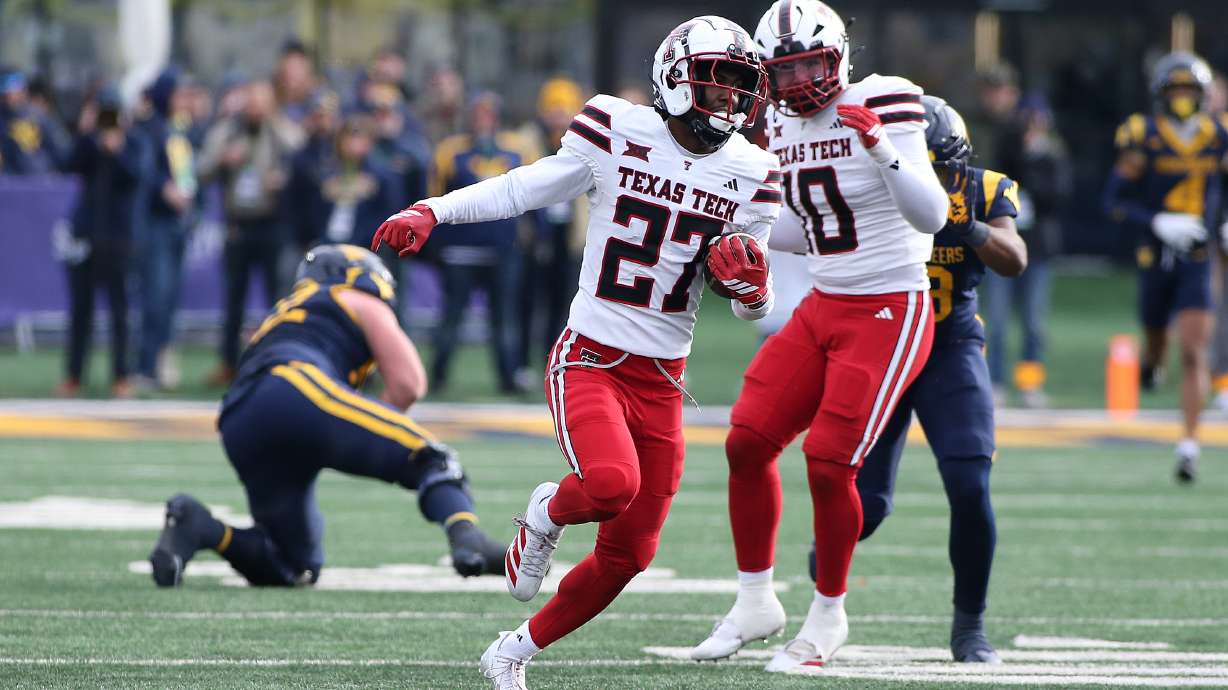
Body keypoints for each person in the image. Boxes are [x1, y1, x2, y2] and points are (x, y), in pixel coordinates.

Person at [371, 16, 781, 688]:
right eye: (718, 84)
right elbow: (522, 188)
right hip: (591, 357)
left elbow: (747, 300)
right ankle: (545, 512)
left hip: (663, 380)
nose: (731, 102)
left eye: (741, 87)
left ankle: (511, 651)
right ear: (677, 80)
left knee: (631, 555)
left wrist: (756, 291)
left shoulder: (751, 171)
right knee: (612, 483)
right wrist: (434, 211)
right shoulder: (617, 130)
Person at [690, 0, 949, 671]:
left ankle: (829, 616)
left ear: (838, 55)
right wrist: (732, 234)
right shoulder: (775, 120)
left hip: (890, 303)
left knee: (831, 459)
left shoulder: (886, 101)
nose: (799, 78)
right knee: (747, 440)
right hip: (827, 301)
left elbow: (933, 215)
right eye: (784, 67)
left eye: (809, 61)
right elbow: (813, 228)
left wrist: (882, 148)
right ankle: (755, 600)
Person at [803, 96, 1027, 663]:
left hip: (949, 347)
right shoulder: (865, 183)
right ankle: (822, 587)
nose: (933, 180)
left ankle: (970, 627)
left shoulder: (983, 187)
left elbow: (1015, 258)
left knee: (971, 486)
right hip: (881, 344)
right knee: (866, 506)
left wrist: (969, 226)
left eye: (941, 168)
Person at [148, 244, 506, 588]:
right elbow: (408, 384)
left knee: (293, 564)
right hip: (293, 387)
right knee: (433, 459)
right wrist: (361, 438)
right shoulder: (355, 297)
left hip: (238, 416)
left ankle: (201, 527)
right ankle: (468, 536)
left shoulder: (285, 310)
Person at [1103, 51, 1228, 484]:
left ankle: (1189, 446)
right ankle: (1152, 362)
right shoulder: (1142, 134)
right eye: (1175, 90)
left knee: (1194, 349)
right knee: (1156, 340)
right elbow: (1113, 201)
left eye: (1190, 91)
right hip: (1154, 253)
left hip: (1197, 253)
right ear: (1161, 95)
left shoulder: (1219, 134)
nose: (1182, 99)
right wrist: (1156, 220)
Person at [198, 79, 305, 386]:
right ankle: (229, 362)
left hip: (273, 224)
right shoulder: (227, 132)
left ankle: (277, 358)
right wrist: (223, 160)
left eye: (263, 102)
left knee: (279, 297)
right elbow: (201, 170)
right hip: (238, 225)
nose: (256, 108)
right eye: (252, 101)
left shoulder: (280, 130)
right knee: (233, 298)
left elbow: (303, 157)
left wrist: (283, 180)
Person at [425, 92, 530, 395]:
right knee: (451, 317)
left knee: (504, 318)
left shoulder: (518, 152)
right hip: (461, 250)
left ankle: (509, 377)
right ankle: (439, 375)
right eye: (478, 114)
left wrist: (530, 236)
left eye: (489, 114)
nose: (484, 120)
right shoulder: (450, 151)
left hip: (502, 248)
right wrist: (438, 246)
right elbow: (435, 197)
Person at [980, 91, 1070, 408]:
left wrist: (1035, 168)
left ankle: (1029, 383)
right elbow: (998, 180)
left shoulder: (1054, 155)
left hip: (1039, 249)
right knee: (999, 319)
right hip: (1005, 248)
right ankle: (997, 382)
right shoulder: (1010, 149)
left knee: (1033, 321)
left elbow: (1058, 196)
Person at [56, 87, 146, 399]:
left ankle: (121, 374)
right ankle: (74, 374)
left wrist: (117, 149)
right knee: (81, 309)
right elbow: (67, 163)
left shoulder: (133, 142)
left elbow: (136, 176)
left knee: (120, 310)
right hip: (86, 235)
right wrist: (85, 134)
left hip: (118, 237)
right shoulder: (89, 143)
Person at [134, 69, 198, 392]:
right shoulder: (150, 128)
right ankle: (145, 366)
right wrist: (165, 189)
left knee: (170, 297)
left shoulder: (181, 129)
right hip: (157, 222)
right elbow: (146, 171)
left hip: (178, 222)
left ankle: (162, 360)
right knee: (155, 295)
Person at [0, 67, 65, 174]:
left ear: (22, 91)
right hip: (9, 183)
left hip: (40, 182)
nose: (8, 96)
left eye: (11, 91)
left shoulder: (38, 116)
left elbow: (58, 150)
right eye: (5, 93)